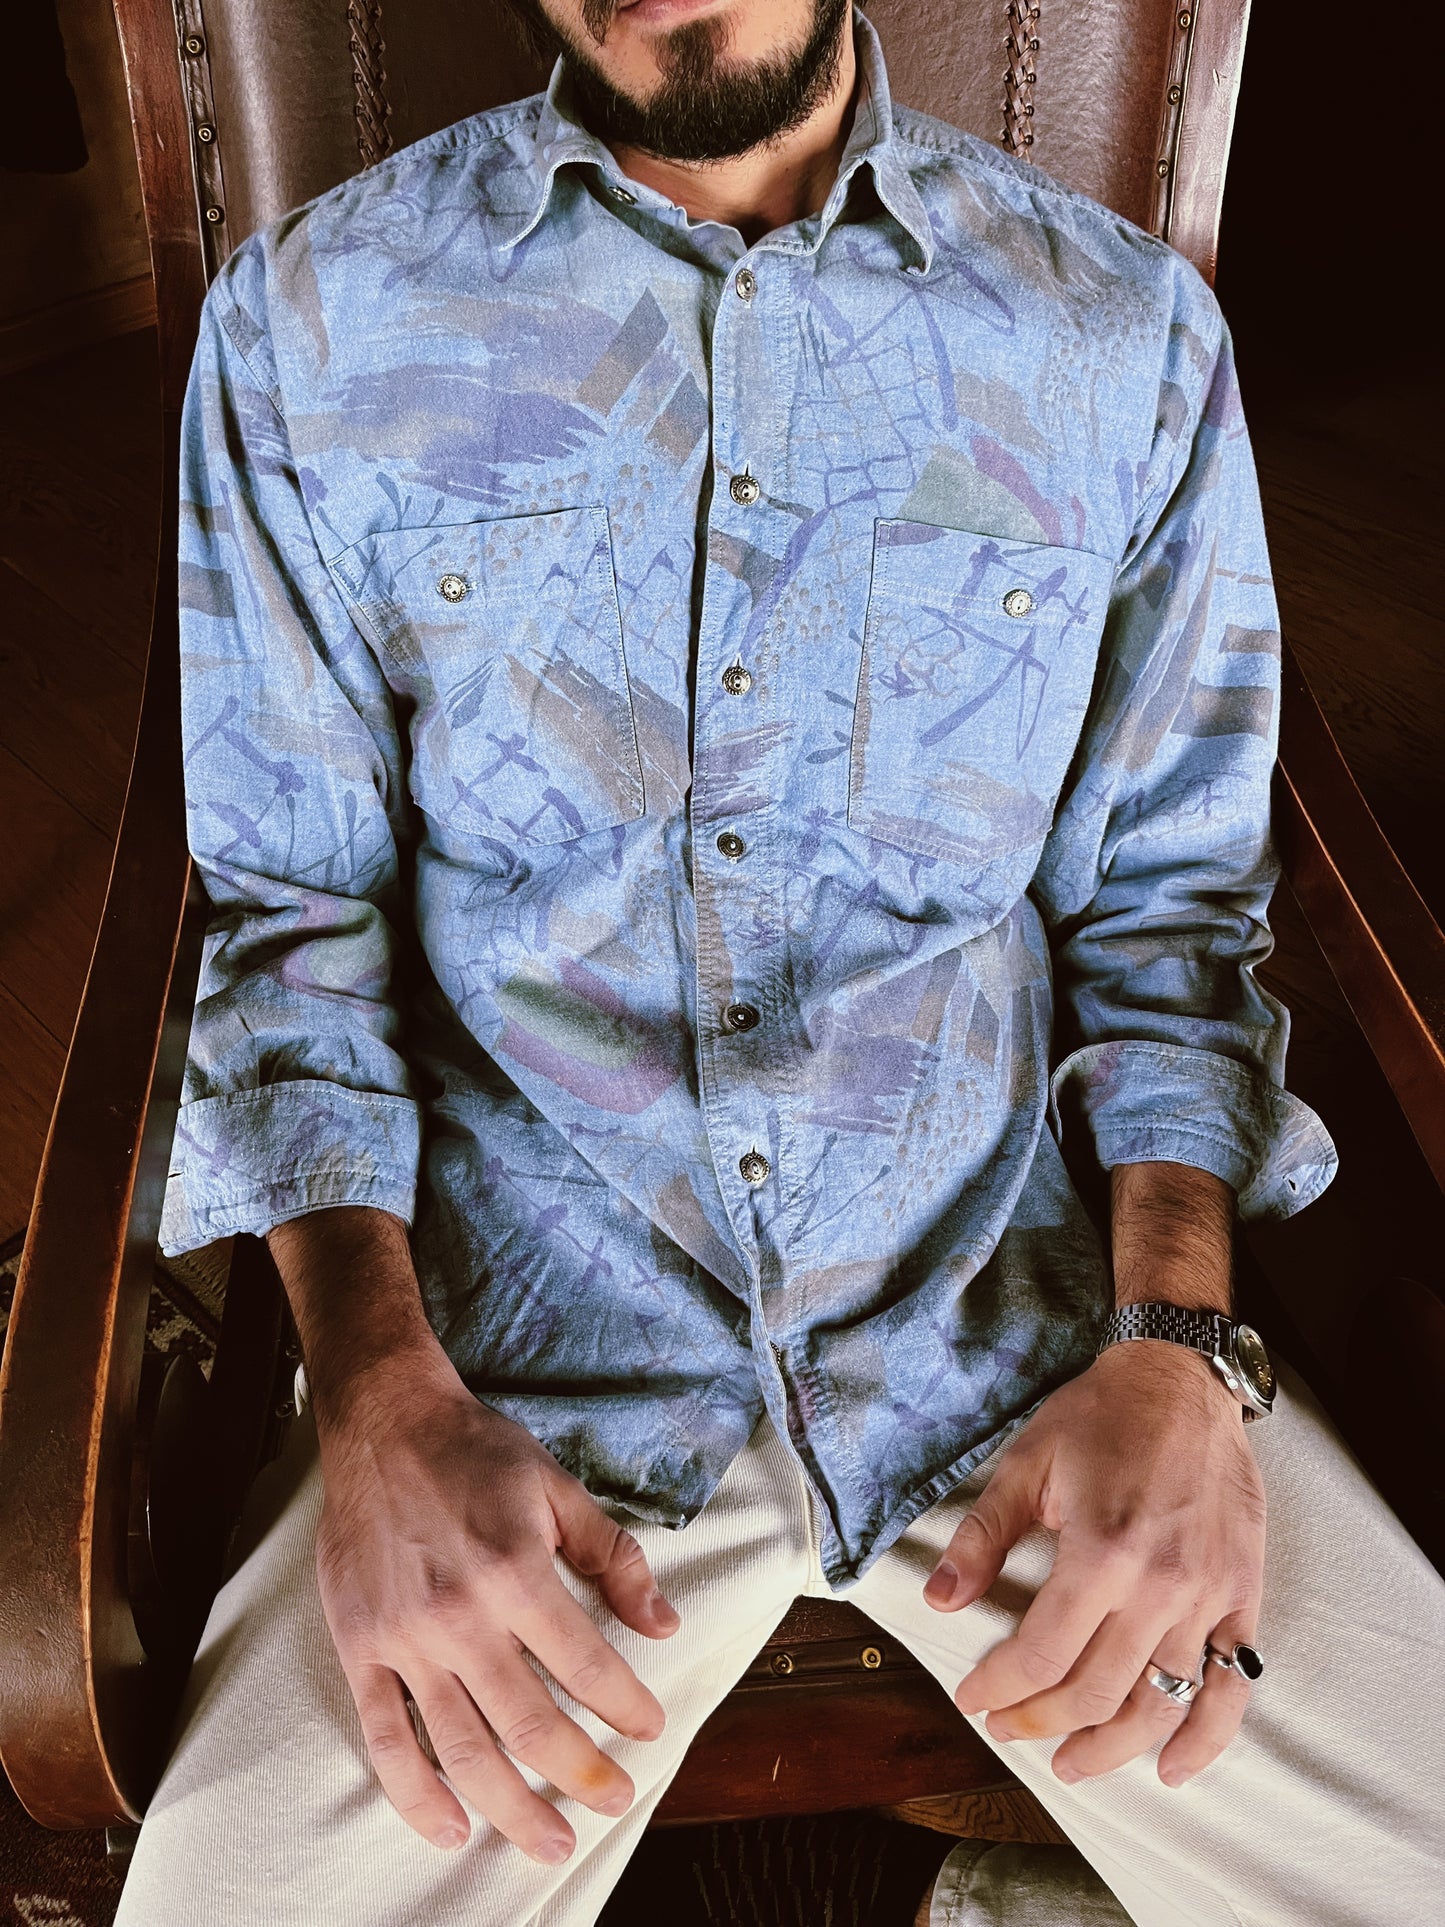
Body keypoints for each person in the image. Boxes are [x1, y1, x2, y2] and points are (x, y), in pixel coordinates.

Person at [115, 3, 1445, 1923]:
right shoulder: (308, 327)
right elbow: (292, 922)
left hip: (1023, 1341)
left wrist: (1172, 1350)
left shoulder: (1117, 332)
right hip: (521, 1385)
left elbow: (1168, 911)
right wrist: (377, 1407)